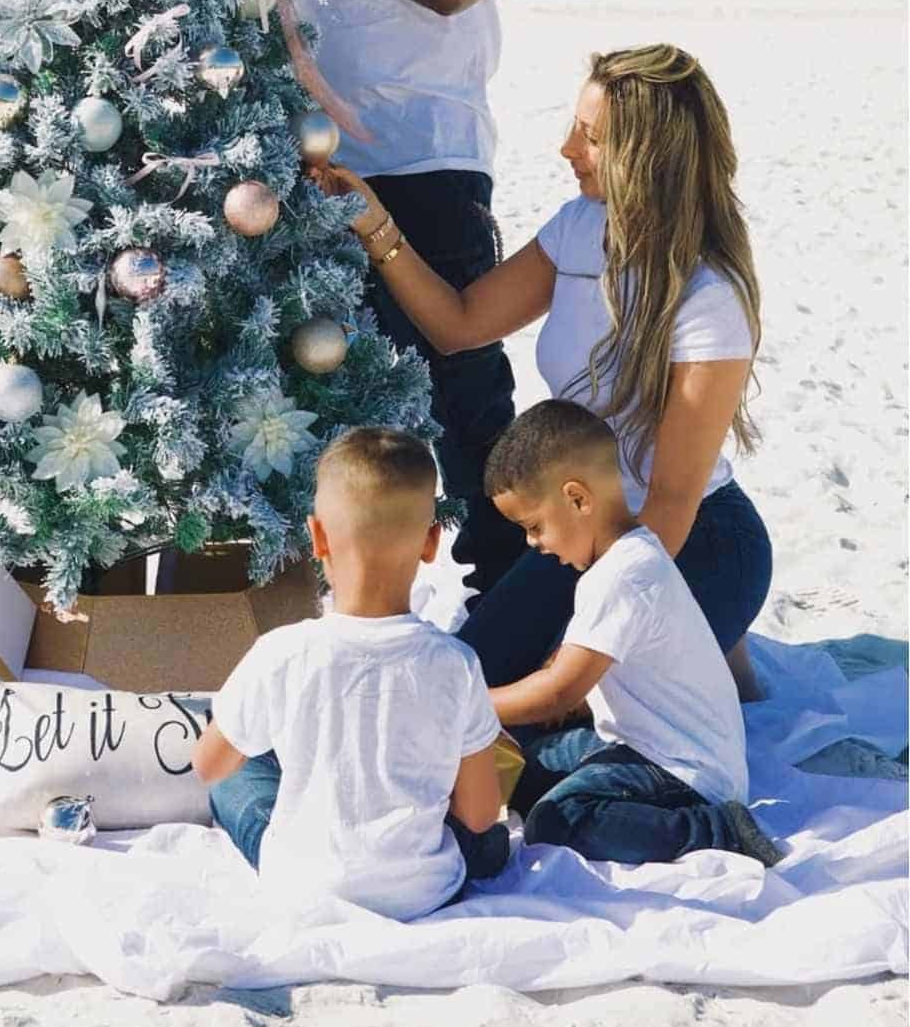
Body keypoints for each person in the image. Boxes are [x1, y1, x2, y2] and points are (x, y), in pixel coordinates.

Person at [313, 44, 773, 692]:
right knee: (475, 684)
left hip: (688, 538)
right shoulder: (580, 227)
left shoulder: (708, 295)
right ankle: (714, 652)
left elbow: (670, 504)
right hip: (583, 532)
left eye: (592, 138)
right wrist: (374, 223)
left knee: (572, 706)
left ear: (649, 155)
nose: (566, 149)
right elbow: (458, 326)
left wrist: (580, 650)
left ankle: (716, 635)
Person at [255, 0, 547, 590]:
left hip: (421, 157)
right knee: (294, 391)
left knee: (462, 403)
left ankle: (513, 603)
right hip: (293, 155)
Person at [191, 427, 510, 918]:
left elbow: (208, 766)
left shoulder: (281, 652)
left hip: (305, 887)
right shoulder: (456, 663)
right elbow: (481, 813)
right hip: (423, 891)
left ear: (317, 537)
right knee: (488, 842)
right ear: (431, 543)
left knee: (239, 780)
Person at [481, 399, 784, 867]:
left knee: (558, 819)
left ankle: (719, 830)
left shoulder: (624, 575)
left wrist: (472, 701)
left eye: (535, 526)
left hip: (683, 768)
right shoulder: (622, 561)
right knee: (527, 767)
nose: (532, 543)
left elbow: (558, 692)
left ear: (578, 499)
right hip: (634, 741)